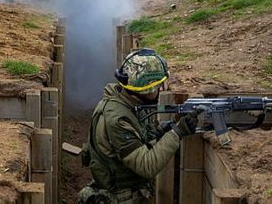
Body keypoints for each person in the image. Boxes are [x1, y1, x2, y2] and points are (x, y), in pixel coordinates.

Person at [78, 48, 199, 204]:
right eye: (157, 86)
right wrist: (177, 133)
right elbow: (146, 166)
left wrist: (162, 131)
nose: (161, 90)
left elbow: (141, 136)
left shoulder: (130, 101)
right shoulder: (118, 119)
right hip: (120, 196)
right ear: (145, 88)